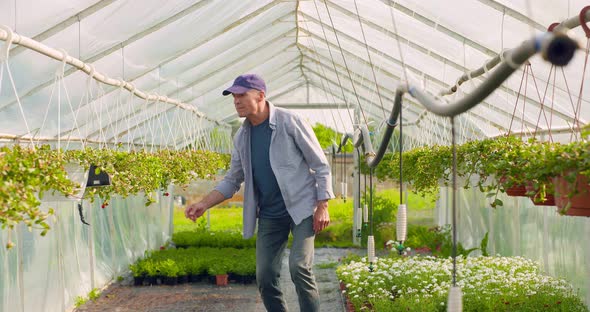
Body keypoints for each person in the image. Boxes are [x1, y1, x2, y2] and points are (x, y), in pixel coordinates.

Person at [185, 74, 334, 312]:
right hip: (270, 214)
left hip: (302, 208)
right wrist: (203, 204)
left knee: (299, 267)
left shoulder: (289, 121)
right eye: (234, 96)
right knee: (264, 276)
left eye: (242, 95)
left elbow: (320, 165)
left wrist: (323, 205)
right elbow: (233, 179)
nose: (236, 101)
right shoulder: (242, 136)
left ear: (261, 96)